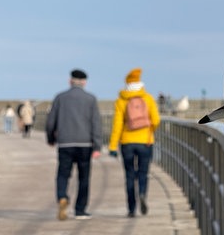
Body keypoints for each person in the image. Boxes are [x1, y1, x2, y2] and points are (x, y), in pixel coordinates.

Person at [46, 69, 102, 221]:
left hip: (65, 143)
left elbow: (51, 121)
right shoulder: (91, 99)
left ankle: (62, 197)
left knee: (63, 174)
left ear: (70, 81)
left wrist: (50, 138)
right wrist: (97, 146)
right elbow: (96, 124)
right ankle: (80, 210)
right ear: (84, 82)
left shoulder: (60, 97)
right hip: (85, 143)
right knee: (83, 177)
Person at [109, 68, 160, 218]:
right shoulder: (148, 98)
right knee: (143, 173)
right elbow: (156, 120)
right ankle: (142, 193)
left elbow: (117, 125)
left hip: (127, 143)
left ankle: (131, 208)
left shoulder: (121, 101)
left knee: (130, 175)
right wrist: (150, 131)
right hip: (145, 142)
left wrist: (112, 146)